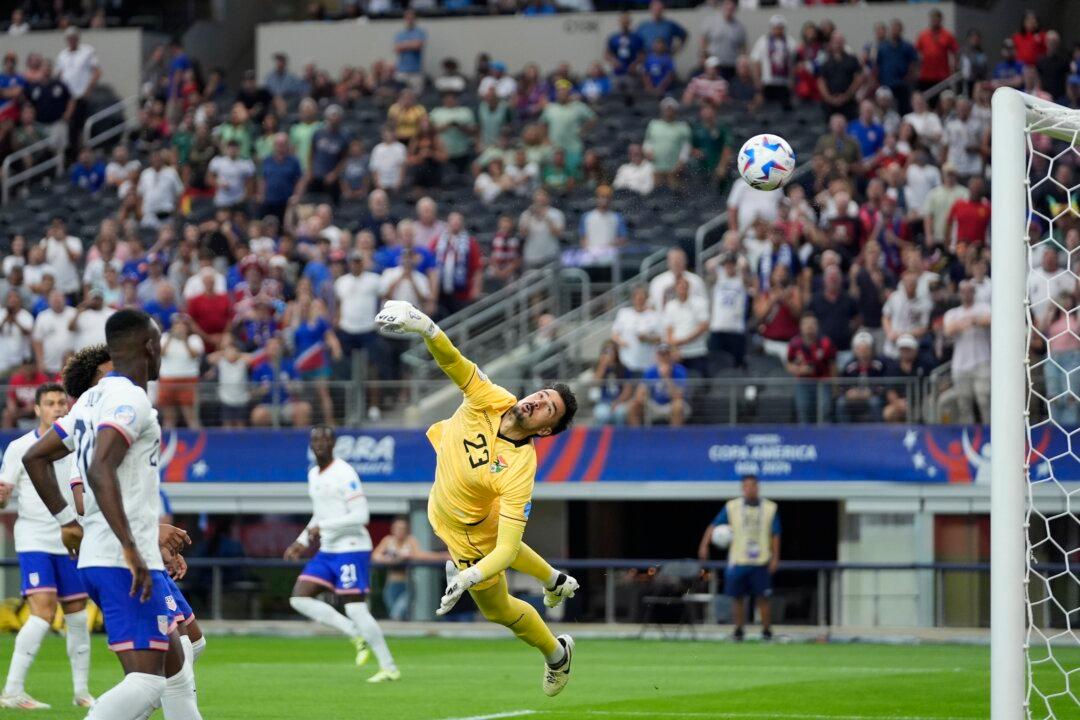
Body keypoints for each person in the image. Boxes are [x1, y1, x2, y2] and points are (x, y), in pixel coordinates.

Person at [373, 300, 580, 696]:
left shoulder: (520, 468)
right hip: (452, 504)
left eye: (548, 408)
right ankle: (554, 580)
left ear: (545, 430)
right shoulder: (493, 397)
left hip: (469, 532)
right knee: (497, 539)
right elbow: (453, 361)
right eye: (541, 394)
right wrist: (425, 325)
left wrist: (469, 575)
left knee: (497, 610)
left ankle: (557, 654)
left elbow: (506, 550)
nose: (538, 401)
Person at [25, 311, 201, 719]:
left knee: (177, 670)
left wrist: (68, 523)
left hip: (106, 556)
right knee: (148, 682)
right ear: (149, 347)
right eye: (159, 343)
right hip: (123, 561)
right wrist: (131, 547)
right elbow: (101, 467)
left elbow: (37, 457)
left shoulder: (91, 399)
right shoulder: (129, 398)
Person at [0, 383, 93, 710]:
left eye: (61, 403)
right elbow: (4, 495)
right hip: (35, 538)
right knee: (43, 611)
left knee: (78, 616)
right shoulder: (20, 447)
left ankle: (81, 693)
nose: (57, 408)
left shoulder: (77, 445)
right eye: (50, 403)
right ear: (37, 409)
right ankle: (12, 690)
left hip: (70, 540)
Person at [284, 426, 399, 681]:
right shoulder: (313, 474)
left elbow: (361, 515)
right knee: (299, 598)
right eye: (315, 440)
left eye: (325, 439)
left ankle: (389, 667)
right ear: (310, 444)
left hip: (352, 547)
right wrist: (302, 540)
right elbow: (320, 513)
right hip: (328, 549)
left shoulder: (344, 473)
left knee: (356, 609)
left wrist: (323, 527)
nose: (320, 444)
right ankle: (354, 633)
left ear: (334, 443)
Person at [697, 475, 780, 642]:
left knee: (763, 598)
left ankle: (766, 632)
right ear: (743, 488)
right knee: (737, 598)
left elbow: (776, 534)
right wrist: (704, 544)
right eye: (747, 486)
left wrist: (775, 557)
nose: (750, 489)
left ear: (758, 487)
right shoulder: (732, 506)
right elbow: (713, 525)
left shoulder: (770, 507)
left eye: (753, 486)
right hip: (738, 561)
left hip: (761, 560)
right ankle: (739, 631)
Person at [371, 517, 446, 621]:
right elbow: (375, 556)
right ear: (393, 529)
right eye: (398, 528)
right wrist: (391, 559)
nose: (400, 531)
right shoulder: (388, 540)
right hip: (391, 584)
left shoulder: (410, 540)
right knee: (393, 611)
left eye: (403, 528)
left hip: (407, 584)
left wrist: (442, 556)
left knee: (398, 613)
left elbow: (420, 555)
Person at [942, 280, 991, 424]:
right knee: (963, 402)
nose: (966, 294)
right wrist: (970, 321)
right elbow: (948, 330)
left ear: (974, 292)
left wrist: (970, 321)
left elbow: (989, 319)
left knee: (984, 398)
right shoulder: (953, 313)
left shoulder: (984, 307)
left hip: (982, 360)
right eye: (963, 291)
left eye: (969, 291)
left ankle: (990, 430)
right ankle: (968, 432)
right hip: (960, 364)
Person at [786, 313, 836, 424]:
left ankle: (825, 433)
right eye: (806, 324)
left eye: (812, 324)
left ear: (817, 326)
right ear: (800, 327)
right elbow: (789, 364)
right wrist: (799, 370)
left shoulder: (826, 343)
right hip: (803, 382)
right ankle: (804, 434)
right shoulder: (794, 344)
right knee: (803, 410)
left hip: (823, 382)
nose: (809, 327)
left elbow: (833, 365)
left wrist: (834, 385)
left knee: (825, 410)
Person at [158, 315, 204, 430]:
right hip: (167, 380)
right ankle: (167, 439)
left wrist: (185, 340)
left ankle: (197, 438)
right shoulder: (164, 337)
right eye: (177, 324)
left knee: (191, 417)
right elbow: (161, 353)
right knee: (168, 418)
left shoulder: (194, 339)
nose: (179, 327)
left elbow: (194, 355)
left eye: (182, 324)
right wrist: (170, 337)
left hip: (188, 380)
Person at [629, 343, 689, 426]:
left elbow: (678, 396)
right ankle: (636, 433)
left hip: (671, 405)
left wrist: (667, 377)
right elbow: (639, 394)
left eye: (666, 354)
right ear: (657, 356)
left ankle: (674, 433)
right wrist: (643, 396)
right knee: (634, 404)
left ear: (670, 355)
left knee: (678, 406)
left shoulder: (679, 370)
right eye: (661, 355)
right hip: (654, 404)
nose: (664, 357)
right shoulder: (650, 371)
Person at [663, 276, 710, 378]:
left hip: (696, 352)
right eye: (679, 286)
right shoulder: (670, 306)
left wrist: (683, 341)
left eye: (684, 286)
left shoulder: (700, 303)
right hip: (677, 354)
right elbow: (669, 330)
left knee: (697, 383)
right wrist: (674, 349)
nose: (682, 289)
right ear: (675, 288)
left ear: (689, 288)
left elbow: (703, 326)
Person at [836, 330, 887, 423]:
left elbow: (885, 384)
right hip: (853, 398)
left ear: (872, 349)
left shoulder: (879, 365)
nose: (863, 351)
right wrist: (848, 392)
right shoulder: (849, 366)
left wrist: (872, 391)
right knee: (841, 402)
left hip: (872, 396)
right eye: (860, 348)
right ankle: (844, 429)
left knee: (875, 402)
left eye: (866, 348)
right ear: (855, 350)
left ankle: (877, 428)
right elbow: (841, 385)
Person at [612, 285, 662, 377]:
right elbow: (614, 335)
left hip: (647, 362)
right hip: (627, 361)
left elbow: (660, 338)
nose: (640, 301)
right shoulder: (623, 313)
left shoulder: (654, 316)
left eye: (642, 299)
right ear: (633, 299)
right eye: (637, 298)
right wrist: (622, 342)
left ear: (646, 299)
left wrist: (647, 339)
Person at [914, 9, 958, 95]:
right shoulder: (923, 35)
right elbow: (916, 53)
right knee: (926, 98)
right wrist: (916, 71)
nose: (934, 21)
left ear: (940, 20)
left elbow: (955, 52)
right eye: (932, 19)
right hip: (925, 76)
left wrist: (954, 68)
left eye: (936, 19)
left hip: (942, 76)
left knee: (944, 99)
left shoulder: (947, 35)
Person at [700, 0, 745, 80]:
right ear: (722, 6)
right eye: (727, 4)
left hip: (731, 66)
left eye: (732, 6)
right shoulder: (711, 21)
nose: (729, 7)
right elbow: (703, 40)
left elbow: (742, 47)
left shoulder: (739, 27)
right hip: (714, 66)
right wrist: (704, 57)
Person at [393, 9, 427, 94]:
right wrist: (411, 44)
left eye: (412, 18)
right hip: (401, 71)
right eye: (408, 18)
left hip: (416, 71)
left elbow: (418, 46)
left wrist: (403, 45)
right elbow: (396, 49)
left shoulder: (420, 32)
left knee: (417, 95)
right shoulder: (400, 34)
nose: (410, 21)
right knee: (399, 94)